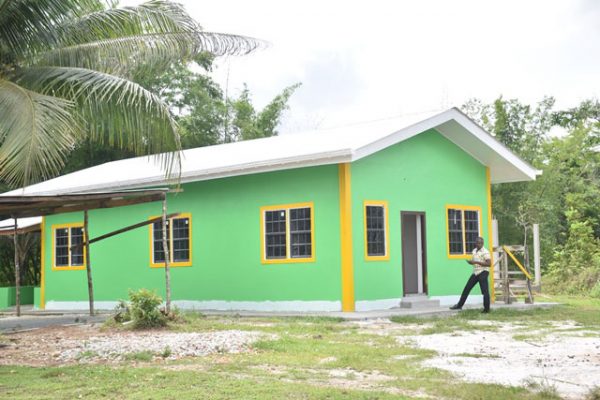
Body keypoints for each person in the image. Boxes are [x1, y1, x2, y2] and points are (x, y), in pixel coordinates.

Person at [449, 236, 491, 313]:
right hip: (475, 272)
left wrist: (475, 262)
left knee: (485, 291)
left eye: (480, 243)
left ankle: (486, 309)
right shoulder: (474, 251)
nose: (478, 244)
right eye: (477, 243)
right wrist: (471, 262)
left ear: (482, 243)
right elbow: (475, 260)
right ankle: (459, 305)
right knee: (467, 288)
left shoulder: (485, 252)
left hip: (483, 272)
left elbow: (489, 264)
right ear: (475, 243)